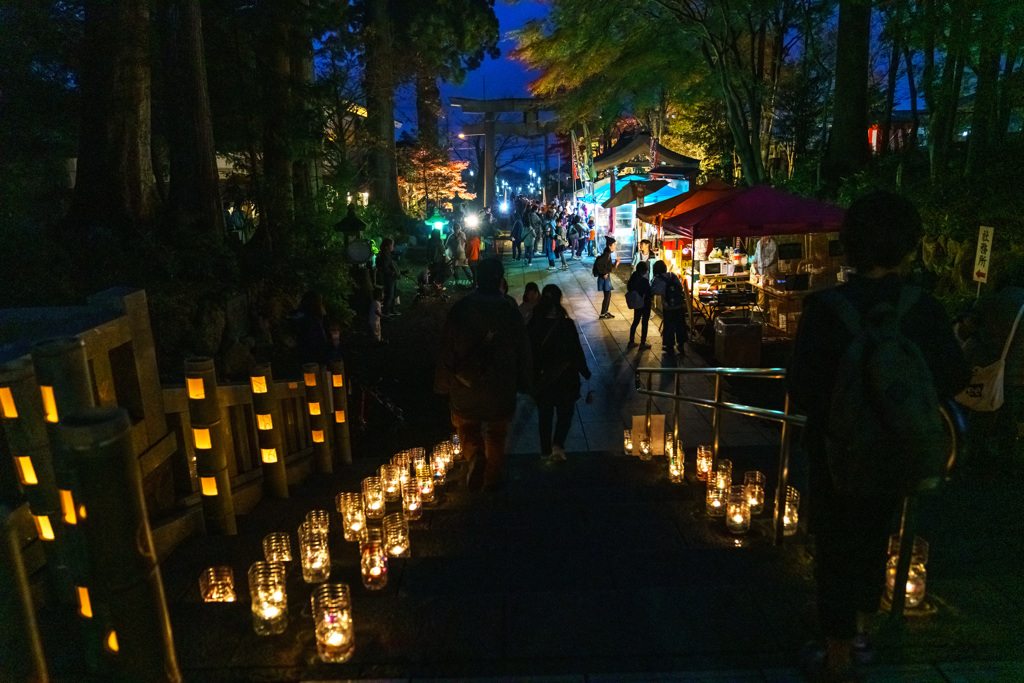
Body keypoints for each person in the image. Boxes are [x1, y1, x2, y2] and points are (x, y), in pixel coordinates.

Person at [786, 191, 968, 683]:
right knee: (874, 538)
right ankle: (862, 631)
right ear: (909, 248)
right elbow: (954, 376)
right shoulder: (923, 309)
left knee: (835, 547)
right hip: (899, 453)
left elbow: (802, 387)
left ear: (849, 246)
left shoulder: (826, 309)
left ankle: (837, 653)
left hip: (835, 453)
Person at [435, 258, 531, 492]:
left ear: (477, 279)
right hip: (500, 387)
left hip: (465, 385)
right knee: (497, 433)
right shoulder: (509, 311)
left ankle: (475, 455)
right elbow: (524, 351)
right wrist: (526, 382)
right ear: (500, 279)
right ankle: (491, 479)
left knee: (467, 427)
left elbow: (446, 349)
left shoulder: (460, 310)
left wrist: (441, 383)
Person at [957, 261, 1024, 464]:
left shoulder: (988, 301)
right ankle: (1005, 464)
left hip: (985, 371)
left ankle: (975, 460)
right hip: (1016, 376)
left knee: (980, 417)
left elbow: (964, 331)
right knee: (1008, 423)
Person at [527, 284, 592, 461]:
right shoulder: (566, 324)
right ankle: (558, 444)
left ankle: (545, 450)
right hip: (566, 377)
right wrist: (585, 371)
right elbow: (576, 351)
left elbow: (528, 353)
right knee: (565, 413)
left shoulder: (534, 324)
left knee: (545, 416)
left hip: (543, 378)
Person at [651, 260, 688, 353]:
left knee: (669, 325)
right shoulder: (673, 275)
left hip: (668, 307)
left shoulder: (659, 279)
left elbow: (656, 291)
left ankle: (670, 346)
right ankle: (681, 345)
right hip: (679, 305)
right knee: (680, 325)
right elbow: (680, 287)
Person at [627, 261, 652, 348]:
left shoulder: (633, 277)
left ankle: (631, 340)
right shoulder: (644, 281)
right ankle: (643, 343)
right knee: (644, 322)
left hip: (637, 303)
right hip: (645, 304)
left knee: (635, 321)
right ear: (644, 271)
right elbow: (649, 293)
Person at [376, 238, 401, 315]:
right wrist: (392, 273)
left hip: (392, 278)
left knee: (393, 294)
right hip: (388, 279)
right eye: (392, 245)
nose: (393, 246)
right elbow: (385, 268)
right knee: (389, 295)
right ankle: (386, 313)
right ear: (386, 247)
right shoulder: (384, 256)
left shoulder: (387, 255)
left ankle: (392, 310)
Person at [594, 235, 617, 319]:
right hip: (604, 278)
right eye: (614, 245)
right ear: (610, 245)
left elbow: (606, 264)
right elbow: (599, 263)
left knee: (608, 294)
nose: (615, 246)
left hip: (605, 277)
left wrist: (614, 264)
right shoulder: (606, 254)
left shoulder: (607, 253)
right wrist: (604, 273)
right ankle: (603, 313)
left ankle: (605, 312)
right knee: (607, 294)